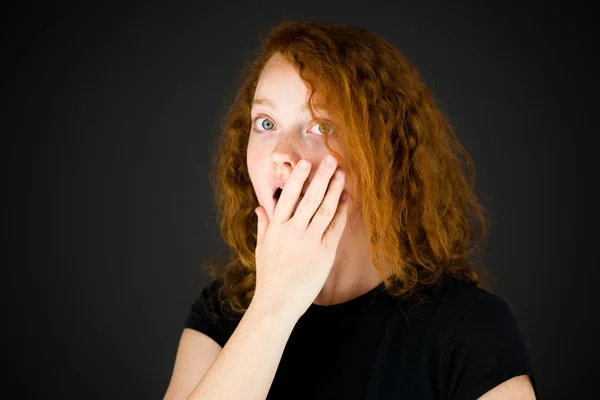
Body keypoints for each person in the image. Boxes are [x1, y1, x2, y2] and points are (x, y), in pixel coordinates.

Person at [163, 20, 537, 400]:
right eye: (266, 123)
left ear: (384, 153)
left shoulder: (470, 328)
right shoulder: (222, 312)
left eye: (321, 127)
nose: (280, 154)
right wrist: (272, 307)